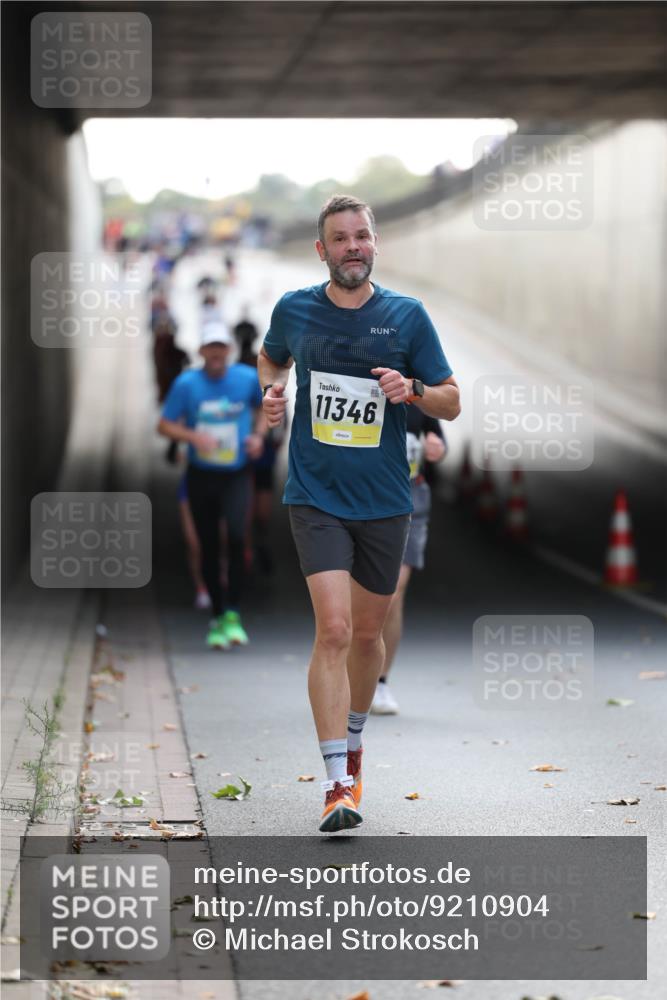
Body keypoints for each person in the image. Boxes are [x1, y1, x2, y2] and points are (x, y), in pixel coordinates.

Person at [258, 194, 460, 833]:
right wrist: (271, 391)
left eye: (362, 236)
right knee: (336, 631)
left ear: (375, 243)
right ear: (322, 250)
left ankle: (353, 744)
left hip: (385, 500)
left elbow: (452, 401)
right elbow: (271, 357)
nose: (353, 247)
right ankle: (335, 783)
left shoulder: (407, 316)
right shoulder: (294, 309)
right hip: (315, 495)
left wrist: (414, 390)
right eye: (341, 238)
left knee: (369, 638)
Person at [158, 321, 266, 650]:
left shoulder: (246, 379)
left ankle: (233, 612)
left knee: (236, 537)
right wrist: (193, 437)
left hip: (236, 474)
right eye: (210, 347)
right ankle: (217, 614)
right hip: (201, 475)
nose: (216, 353)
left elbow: (265, 407)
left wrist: (259, 436)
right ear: (202, 351)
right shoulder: (187, 384)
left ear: (228, 349)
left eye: (221, 346)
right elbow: (164, 425)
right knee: (206, 546)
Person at [371, 411, 447, 715]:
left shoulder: (418, 394)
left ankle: (380, 681)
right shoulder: (358, 387)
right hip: (366, 494)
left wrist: (437, 447)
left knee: (392, 592)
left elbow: (437, 434)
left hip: (410, 496)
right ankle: (353, 671)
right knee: (360, 594)